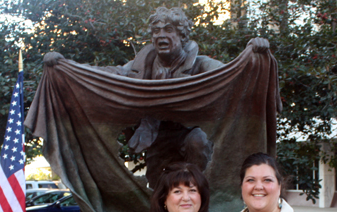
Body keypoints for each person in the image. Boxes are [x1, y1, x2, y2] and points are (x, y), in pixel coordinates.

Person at [43, 6, 271, 189]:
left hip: (189, 131)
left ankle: (198, 195)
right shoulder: (140, 66)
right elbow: (110, 74)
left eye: (168, 30)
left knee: (198, 142)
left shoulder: (200, 64)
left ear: (181, 35)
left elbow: (232, 74)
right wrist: (67, 67)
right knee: (158, 189)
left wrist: (253, 55)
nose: (161, 35)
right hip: (156, 136)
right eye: (156, 31)